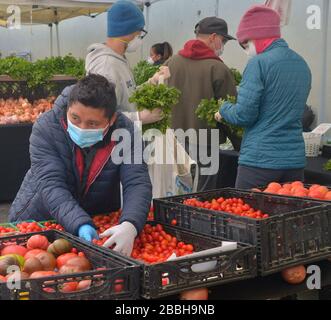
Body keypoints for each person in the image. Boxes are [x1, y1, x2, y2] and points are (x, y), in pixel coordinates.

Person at [9, 74, 152, 257]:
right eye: (75, 118)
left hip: (97, 220)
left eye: (93, 123)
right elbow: (51, 184)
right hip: (41, 217)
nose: (82, 128)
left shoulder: (126, 132)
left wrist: (130, 224)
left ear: (111, 119)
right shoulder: (46, 127)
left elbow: (137, 181)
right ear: (68, 108)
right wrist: (80, 223)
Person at [215, 5, 312, 189]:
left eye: (246, 44)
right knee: (288, 215)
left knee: (245, 214)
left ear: (257, 37)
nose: (247, 49)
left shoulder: (258, 64)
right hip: (294, 161)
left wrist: (224, 108)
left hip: (260, 161)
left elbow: (244, 115)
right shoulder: (301, 64)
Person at [164, 17, 237, 191]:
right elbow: (230, 112)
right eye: (224, 40)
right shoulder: (218, 68)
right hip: (205, 141)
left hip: (173, 140)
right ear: (213, 37)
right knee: (202, 195)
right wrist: (240, 144)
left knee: (175, 190)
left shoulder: (171, 63)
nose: (223, 44)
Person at [85, 0, 165, 125]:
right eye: (140, 32)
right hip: (113, 142)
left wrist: (152, 82)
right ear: (128, 31)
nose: (140, 36)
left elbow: (128, 96)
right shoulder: (106, 66)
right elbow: (99, 115)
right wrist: (139, 117)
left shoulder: (119, 59)